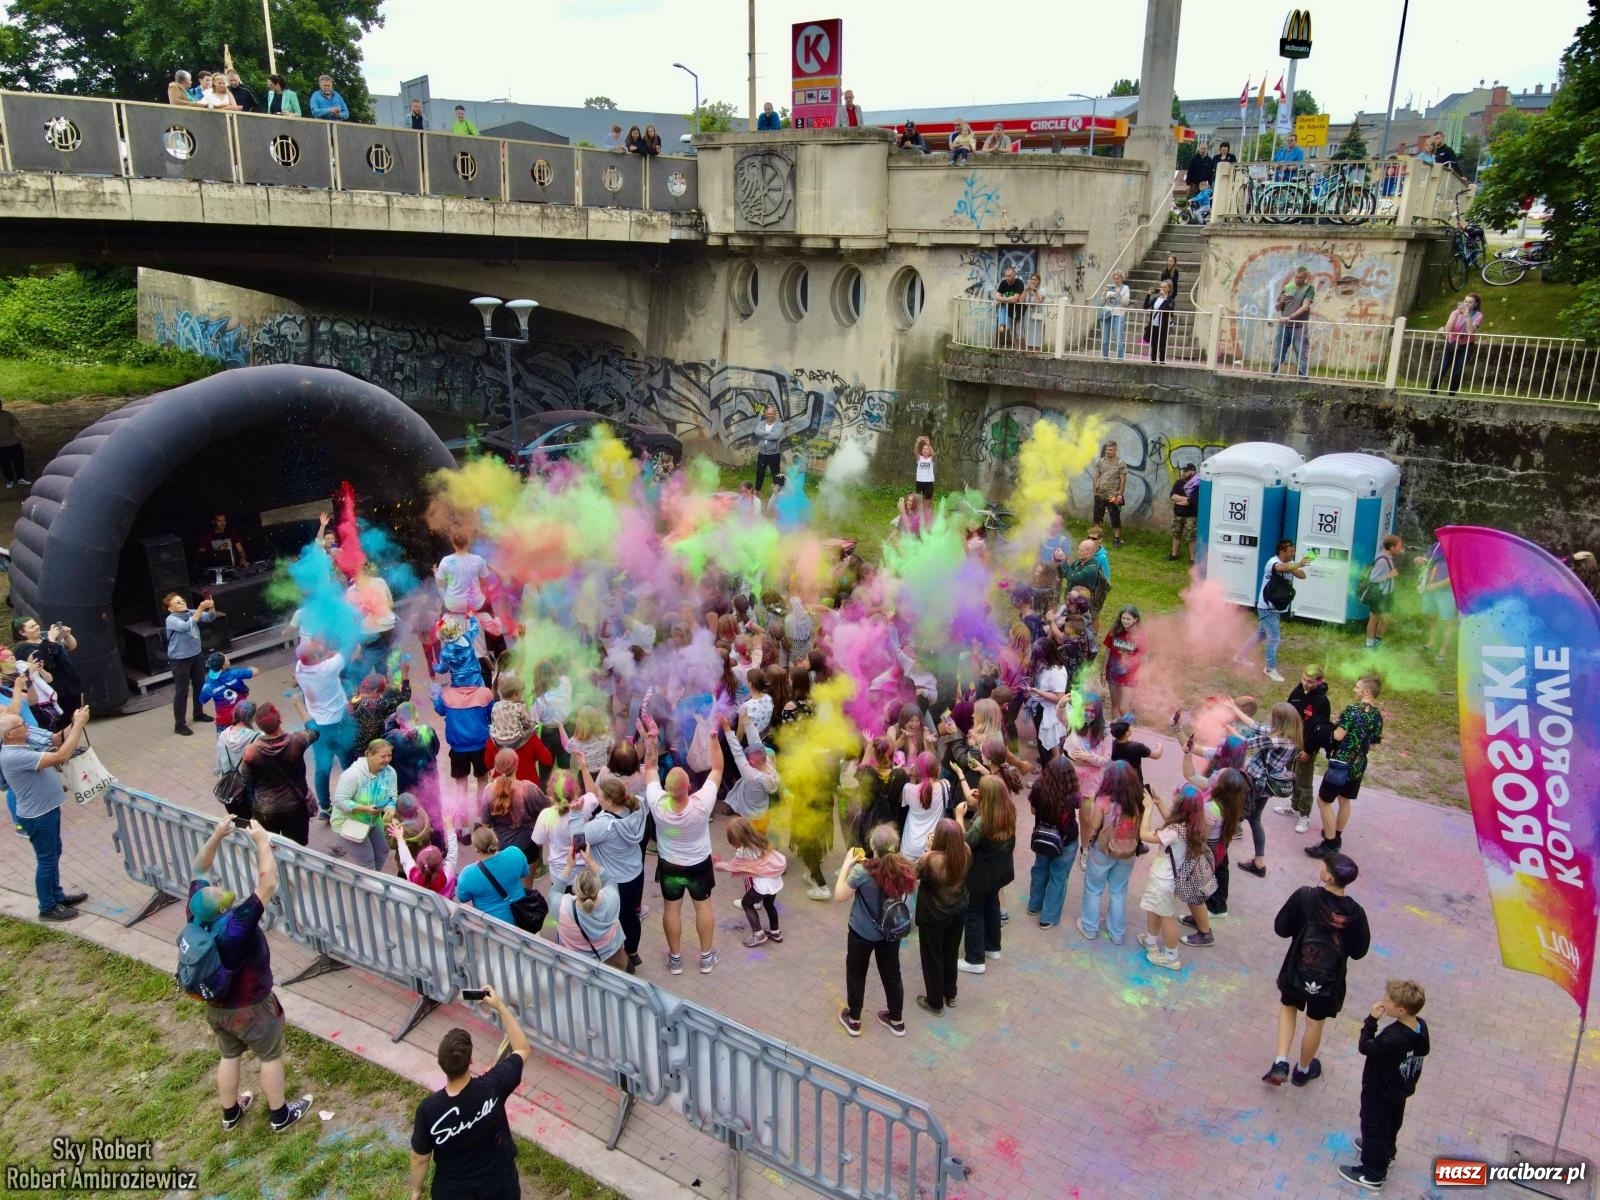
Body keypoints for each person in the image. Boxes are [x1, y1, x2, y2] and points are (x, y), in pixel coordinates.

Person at [186, 817, 312, 1133]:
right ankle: (280, 1115)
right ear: (220, 911)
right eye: (218, 891)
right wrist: (262, 843)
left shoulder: (195, 912)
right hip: (251, 1005)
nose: (217, 886)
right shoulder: (235, 925)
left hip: (217, 1005)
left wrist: (216, 835)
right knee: (270, 1056)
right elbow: (267, 883)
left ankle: (230, 1113)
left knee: (229, 1055)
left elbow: (198, 869)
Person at [408, 988, 529, 1200]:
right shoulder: (493, 1086)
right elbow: (521, 1048)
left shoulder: (429, 1110)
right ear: (470, 1062)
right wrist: (500, 1007)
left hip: (453, 1191)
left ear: (441, 1064)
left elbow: (420, 1158)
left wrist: (416, 1190)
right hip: (500, 1185)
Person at [1263, 853, 1371, 1087]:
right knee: (1315, 1022)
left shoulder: (1305, 896)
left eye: (1324, 865)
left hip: (1296, 970)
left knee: (1288, 1007)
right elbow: (1360, 951)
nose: (1321, 865)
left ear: (1328, 876)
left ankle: (1281, 1061)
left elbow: (1281, 928)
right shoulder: (1356, 913)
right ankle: (1303, 1070)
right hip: (1329, 980)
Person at [641, 712, 722, 975]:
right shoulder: (702, 803)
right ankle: (707, 957)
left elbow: (650, 768)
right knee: (703, 908)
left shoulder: (657, 802)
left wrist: (652, 739)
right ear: (689, 787)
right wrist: (713, 738)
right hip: (699, 864)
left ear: (667, 787)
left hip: (671, 867)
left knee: (671, 910)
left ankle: (675, 960)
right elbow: (718, 769)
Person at [0, 703, 90, 920]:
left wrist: (74, 721)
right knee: (47, 859)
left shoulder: (22, 743)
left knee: (53, 853)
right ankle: (47, 907)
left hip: (47, 810)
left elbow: (57, 740)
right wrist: (78, 725)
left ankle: (57, 896)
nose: (27, 726)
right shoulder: (13, 756)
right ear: (10, 734)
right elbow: (61, 756)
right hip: (39, 816)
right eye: (22, 724)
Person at [1340, 979, 1429, 1190]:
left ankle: (1372, 1174)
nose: (1382, 1002)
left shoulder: (1393, 1037)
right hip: (1399, 1090)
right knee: (1390, 1124)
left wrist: (1371, 1020)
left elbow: (1366, 1046)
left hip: (1380, 1091)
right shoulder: (1420, 1027)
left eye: (1387, 1001)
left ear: (1401, 1010)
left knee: (1374, 1126)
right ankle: (1384, 1152)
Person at [835, 823, 916, 1037]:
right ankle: (896, 1020)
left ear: (872, 845)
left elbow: (839, 896)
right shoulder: (903, 867)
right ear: (895, 845)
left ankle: (854, 1020)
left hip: (862, 932)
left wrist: (847, 864)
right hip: (890, 932)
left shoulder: (862, 871)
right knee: (891, 973)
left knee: (856, 972)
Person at [1308, 676, 1385, 861]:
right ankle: (1337, 835)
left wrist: (1331, 728)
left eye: (1357, 687)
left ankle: (1330, 843)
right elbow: (1374, 745)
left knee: (1323, 801)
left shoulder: (1352, 711)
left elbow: (1338, 735)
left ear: (1367, 691)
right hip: (1358, 765)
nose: (1354, 689)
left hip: (1340, 763)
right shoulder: (1377, 715)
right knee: (1344, 800)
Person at [580, 774, 647, 971]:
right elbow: (640, 798)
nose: (597, 798)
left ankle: (621, 962)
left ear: (609, 801)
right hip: (635, 874)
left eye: (600, 796)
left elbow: (579, 836)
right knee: (632, 916)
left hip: (615, 882)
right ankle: (633, 953)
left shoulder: (602, 825)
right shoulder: (638, 808)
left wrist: (576, 814)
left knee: (613, 920)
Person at [1233, 699, 1303, 878]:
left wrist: (1228, 728)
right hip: (1266, 786)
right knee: (1254, 818)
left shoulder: (1276, 739)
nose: (1270, 717)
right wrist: (1233, 708)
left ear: (1279, 721)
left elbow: (1244, 744)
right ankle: (1259, 862)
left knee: (1237, 812)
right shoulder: (1291, 735)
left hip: (1256, 782)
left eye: (1273, 716)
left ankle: (1227, 839)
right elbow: (1256, 726)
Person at [954, 774, 1016, 974]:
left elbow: (964, 845)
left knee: (973, 912)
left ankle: (974, 959)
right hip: (1000, 872)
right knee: (992, 905)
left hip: (980, 876)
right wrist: (982, 798)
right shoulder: (1009, 811)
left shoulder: (982, 822)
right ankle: (992, 947)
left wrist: (958, 818)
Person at [914, 818, 970, 1014]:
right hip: (958, 910)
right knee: (950, 952)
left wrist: (928, 849)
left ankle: (935, 1002)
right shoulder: (966, 851)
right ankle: (950, 993)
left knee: (932, 958)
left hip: (934, 915)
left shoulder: (930, 859)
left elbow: (912, 874)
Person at [1234, 539, 1311, 683]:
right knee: (1274, 637)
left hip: (1274, 608)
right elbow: (1280, 568)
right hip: (1267, 608)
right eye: (1290, 551)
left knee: (1260, 634)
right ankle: (1270, 669)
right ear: (1282, 552)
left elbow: (1302, 576)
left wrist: (1297, 566)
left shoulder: (1288, 565)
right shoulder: (1273, 562)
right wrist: (1298, 564)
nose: (1293, 553)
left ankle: (1239, 657)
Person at [242, 704, 317, 846]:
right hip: (296, 806)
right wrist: (297, 704)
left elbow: (246, 781)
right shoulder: (297, 740)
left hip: (265, 809)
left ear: (258, 725)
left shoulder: (251, 752)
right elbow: (314, 730)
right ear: (280, 719)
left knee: (269, 846)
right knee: (297, 848)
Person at [294, 640, 353, 818]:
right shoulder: (327, 669)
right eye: (317, 652)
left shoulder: (299, 668)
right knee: (348, 763)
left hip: (318, 726)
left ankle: (325, 808)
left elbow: (315, 657)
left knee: (322, 768)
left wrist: (323, 652)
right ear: (313, 657)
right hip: (339, 722)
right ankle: (355, 798)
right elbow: (349, 646)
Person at [1025, 757, 1080, 929]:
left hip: (1042, 838)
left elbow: (1033, 810)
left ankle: (1033, 906)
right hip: (1066, 841)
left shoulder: (1037, 788)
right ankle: (1047, 918)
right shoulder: (1073, 796)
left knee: (1040, 869)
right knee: (1058, 877)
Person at [1279, 664, 1333, 836]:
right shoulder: (1296, 692)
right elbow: (1287, 713)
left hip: (1307, 745)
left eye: (1310, 682)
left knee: (1304, 780)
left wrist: (1309, 750)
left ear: (1319, 681)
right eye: (1304, 679)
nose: (1305, 684)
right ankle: (1294, 806)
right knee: (1292, 774)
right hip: (1291, 741)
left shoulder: (1322, 701)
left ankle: (1304, 815)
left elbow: (1321, 729)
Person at [716, 816, 786, 947]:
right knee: (769, 905)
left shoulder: (744, 852)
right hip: (774, 882)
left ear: (737, 838)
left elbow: (731, 866)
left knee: (746, 904)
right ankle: (775, 932)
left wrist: (717, 864)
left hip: (762, 886)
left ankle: (758, 934)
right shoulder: (761, 840)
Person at [331, 739, 399, 871]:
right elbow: (339, 801)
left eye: (389, 755)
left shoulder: (390, 773)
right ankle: (370, 887)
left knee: (382, 851)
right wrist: (365, 809)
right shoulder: (353, 774)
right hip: (348, 823)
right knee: (367, 860)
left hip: (373, 821)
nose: (387, 760)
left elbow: (392, 796)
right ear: (369, 755)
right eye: (383, 756)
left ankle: (373, 880)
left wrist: (390, 811)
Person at [556, 858, 630, 969]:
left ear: (575, 889)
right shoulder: (612, 898)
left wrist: (568, 866)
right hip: (610, 959)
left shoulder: (562, 907)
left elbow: (554, 891)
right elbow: (610, 880)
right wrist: (590, 860)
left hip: (576, 966)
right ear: (598, 887)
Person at [166, 592, 217, 737]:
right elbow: (185, 627)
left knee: (199, 686)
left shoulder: (191, 612)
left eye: (182, 600)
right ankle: (179, 725)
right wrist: (200, 609)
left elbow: (210, 618)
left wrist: (211, 607)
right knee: (182, 692)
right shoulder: (171, 619)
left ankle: (198, 714)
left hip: (196, 656)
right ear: (170, 609)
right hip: (179, 659)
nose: (182, 603)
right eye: (177, 602)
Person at [12, 616, 81, 722]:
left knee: (77, 719)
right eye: (32, 627)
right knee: (63, 722)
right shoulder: (22, 648)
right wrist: (51, 639)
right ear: (22, 632)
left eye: (36, 624)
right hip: (52, 689)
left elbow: (71, 646)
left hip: (69, 683)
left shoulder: (45, 636)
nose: (36, 627)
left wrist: (67, 636)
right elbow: (39, 659)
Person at [1430, 293, 1482, 395]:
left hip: (1466, 346)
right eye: (1465, 301)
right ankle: (1432, 393)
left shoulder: (1478, 315)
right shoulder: (1455, 313)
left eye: (1470, 302)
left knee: (1457, 371)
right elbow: (1447, 330)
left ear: (1475, 304)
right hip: (1451, 343)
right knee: (1441, 369)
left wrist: (1467, 317)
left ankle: (1451, 395)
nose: (1466, 304)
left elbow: (1470, 331)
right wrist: (1454, 315)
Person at [1414, 541, 1456, 661]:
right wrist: (1419, 559)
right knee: (1431, 617)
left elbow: (1456, 576)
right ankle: (1431, 642)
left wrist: (1436, 586)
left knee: (1448, 622)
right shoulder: (1437, 545)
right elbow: (1426, 559)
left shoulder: (1458, 549)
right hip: (1429, 588)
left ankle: (1444, 650)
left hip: (1446, 591)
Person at [1270, 266, 1315, 378]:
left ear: (1305, 277)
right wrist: (1281, 301)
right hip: (1283, 326)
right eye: (1296, 277)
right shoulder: (1287, 287)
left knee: (1301, 353)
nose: (1297, 279)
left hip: (1299, 327)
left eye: (1300, 278)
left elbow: (1305, 307)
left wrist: (1289, 317)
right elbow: (1277, 308)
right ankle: (1273, 374)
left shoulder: (1309, 288)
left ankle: (1302, 377)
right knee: (1279, 351)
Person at [199, 652, 257, 737]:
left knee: (224, 747)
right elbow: (255, 671)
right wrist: (250, 668)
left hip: (223, 721)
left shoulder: (208, 685)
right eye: (226, 659)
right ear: (223, 666)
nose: (227, 658)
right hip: (242, 716)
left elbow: (202, 700)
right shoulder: (235, 673)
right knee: (247, 743)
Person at [1363, 534, 1403, 649]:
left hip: (1388, 593)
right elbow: (1373, 578)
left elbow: (1384, 543)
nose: (1401, 548)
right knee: (1374, 618)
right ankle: (1369, 645)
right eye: (1399, 546)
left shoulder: (1388, 554)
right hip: (1379, 594)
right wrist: (1388, 575)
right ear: (1391, 548)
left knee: (1386, 618)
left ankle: (1377, 640)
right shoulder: (1382, 560)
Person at [1091, 442, 1127, 547]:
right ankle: (1095, 537)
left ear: (1115, 450)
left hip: (1113, 496)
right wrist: (1094, 492)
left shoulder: (1120, 463)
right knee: (1097, 517)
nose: (1108, 451)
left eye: (1110, 450)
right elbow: (1096, 476)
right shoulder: (1101, 461)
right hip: (1100, 494)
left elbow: (1123, 479)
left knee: (1115, 518)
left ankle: (1116, 539)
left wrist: (1120, 494)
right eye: (1107, 449)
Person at [1169, 463, 1199, 562]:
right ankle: (1174, 555)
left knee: (1192, 538)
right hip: (1177, 515)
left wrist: (1180, 501)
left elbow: (1190, 502)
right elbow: (1172, 496)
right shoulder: (1179, 482)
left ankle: (1193, 560)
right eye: (1183, 471)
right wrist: (1185, 499)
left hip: (1191, 516)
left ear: (1193, 472)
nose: (1183, 472)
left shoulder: (1197, 484)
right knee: (1176, 535)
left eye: (1186, 471)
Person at [1098, 271, 1130, 360]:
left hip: (1118, 314)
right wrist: (1104, 294)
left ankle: (1119, 360)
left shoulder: (1125, 288)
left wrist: (1118, 294)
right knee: (1105, 340)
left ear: (1121, 279)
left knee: (1119, 339)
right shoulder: (1109, 287)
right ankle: (1105, 359)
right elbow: (1101, 303)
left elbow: (1126, 303)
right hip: (1107, 313)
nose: (1116, 280)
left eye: (1118, 278)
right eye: (1114, 278)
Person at [992, 265, 1025, 349]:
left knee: (1019, 333)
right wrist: (1009, 299)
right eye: (1006, 276)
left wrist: (1002, 299)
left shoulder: (1019, 283)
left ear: (1014, 275)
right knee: (1012, 332)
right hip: (1009, 312)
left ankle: (1021, 351)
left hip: (1020, 312)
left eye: (1009, 276)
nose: (1007, 278)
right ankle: (1016, 349)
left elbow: (1016, 298)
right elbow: (997, 297)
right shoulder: (1003, 283)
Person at [753, 403, 783, 493]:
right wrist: (769, 433)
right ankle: (756, 492)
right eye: (768, 413)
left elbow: (776, 436)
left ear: (774, 415)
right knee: (759, 473)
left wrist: (763, 435)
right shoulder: (761, 423)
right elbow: (756, 432)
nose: (769, 415)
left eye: (771, 414)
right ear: (766, 414)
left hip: (773, 454)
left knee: (776, 474)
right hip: (762, 454)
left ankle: (777, 493)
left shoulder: (779, 425)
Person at [0, 398, 29, 487]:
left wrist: (27, 436)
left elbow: (17, 426)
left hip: (14, 443)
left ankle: (21, 478)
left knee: (19, 461)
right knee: (5, 464)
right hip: (1, 445)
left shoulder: (8, 415)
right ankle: (10, 480)